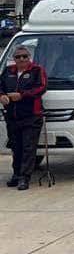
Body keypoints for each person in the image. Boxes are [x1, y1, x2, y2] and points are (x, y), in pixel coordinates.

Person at [1, 45, 47, 190]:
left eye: (24, 56)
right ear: (14, 59)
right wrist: (2, 96)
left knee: (28, 147)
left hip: (31, 116)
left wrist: (22, 95)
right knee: (16, 147)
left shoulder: (37, 70)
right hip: (12, 116)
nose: (21, 59)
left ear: (29, 57)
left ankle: (24, 178)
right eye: (18, 57)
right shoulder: (8, 71)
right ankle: (16, 175)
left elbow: (41, 88)